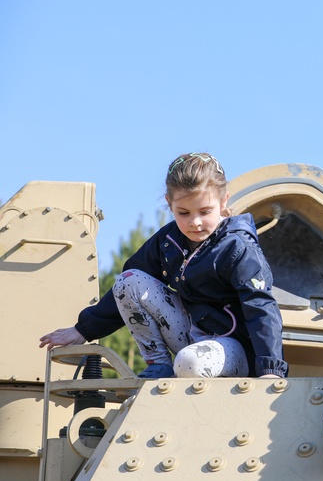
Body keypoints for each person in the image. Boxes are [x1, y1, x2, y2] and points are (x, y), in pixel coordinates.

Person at [39, 152, 287, 379]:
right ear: (169, 203)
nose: (195, 223)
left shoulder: (237, 248)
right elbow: (129, 287)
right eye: (183, 213)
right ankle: (158, 365)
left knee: (189, 363)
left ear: (224, 201)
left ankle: (185, 368)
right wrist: (83, 329)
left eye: (205, 211)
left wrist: (271, 370)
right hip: (189, 336)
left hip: (232, 349)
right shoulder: (169, 242)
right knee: (128, 280)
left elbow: (260, 307)